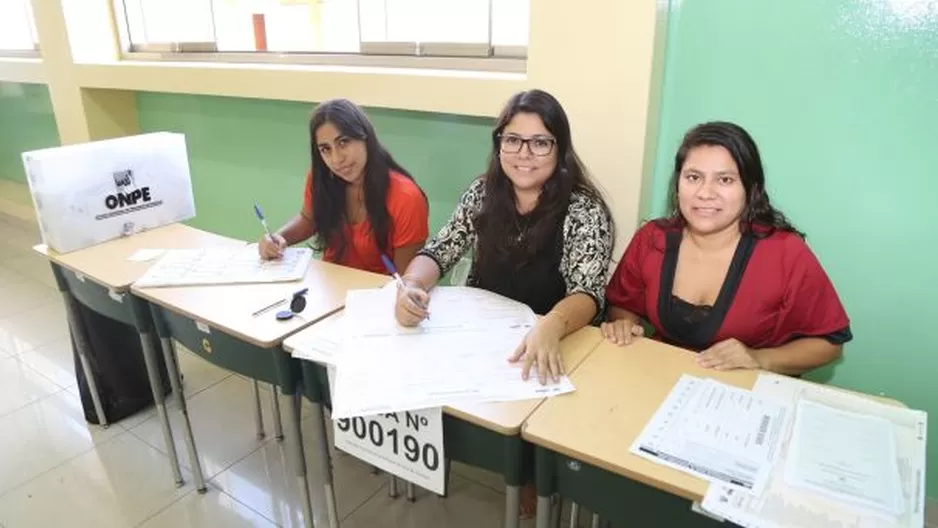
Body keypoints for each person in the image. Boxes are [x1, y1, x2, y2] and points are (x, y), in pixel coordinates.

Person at [393, 89, 615, 385]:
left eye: (540, 143)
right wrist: (410, 285)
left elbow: (588, 294)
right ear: (499, 145)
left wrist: (553, 323)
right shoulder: (482, 193)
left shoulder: (584, 210)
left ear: (560, 150)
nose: (524, 154)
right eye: (512, 140)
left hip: (554, 342)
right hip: (483, 339)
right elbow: (439, 250)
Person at [602, 121, 851, 375]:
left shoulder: (785, 253)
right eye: (693, 177)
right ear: (678, 184)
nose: (705, 193)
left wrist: (759, 358)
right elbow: (624, 304)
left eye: (725, 180)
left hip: (745, 393)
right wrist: (625, 324)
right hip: (661, 379)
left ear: (750, 189)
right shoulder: (653, 238)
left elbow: (830, 343)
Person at [258, 99, 429, 275]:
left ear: (365, 137)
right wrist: (278, 238)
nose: (336, 159)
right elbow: (309, 219)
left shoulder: (406, 197)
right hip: (329, 286)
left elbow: (405, 279)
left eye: (343, 142)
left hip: (377, 295)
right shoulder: (322, 178)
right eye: (325, 149)